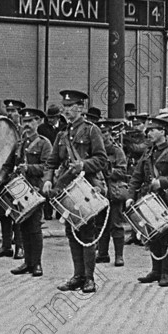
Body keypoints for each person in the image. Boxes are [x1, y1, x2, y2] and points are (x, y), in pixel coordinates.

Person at [43, 90, 108, 294]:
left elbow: (102, 159)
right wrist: (47, 180)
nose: (67, 110)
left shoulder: (91, 131)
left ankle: (89, 279)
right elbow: (51, 161)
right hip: (66, 188)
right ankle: (77, 275)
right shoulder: (62, 134)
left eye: (71, 106)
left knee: (87, 233)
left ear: (81, 108)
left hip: (86, 186)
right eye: (65, 106)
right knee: (72, 232)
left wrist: (83, 165)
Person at [0, 108, 51, 277]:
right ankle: (27, 262)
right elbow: (7, 164)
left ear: (38, 122)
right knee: (23, 227)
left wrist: (29, 168)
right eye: (24, 122)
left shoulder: (44, 143)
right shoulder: (19, 144)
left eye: (30, 122)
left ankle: (37, 264)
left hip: (34, 191)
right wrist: (1, 177)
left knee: (34, 227)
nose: (26, 125)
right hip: (19, 191)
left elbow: (48, 167)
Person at [127, 116, 168, 288]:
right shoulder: (148, 153)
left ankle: (166, 273)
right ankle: (155, 270)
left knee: (166, 237)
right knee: (152, 236)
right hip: (149, 200)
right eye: (148, 130)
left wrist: (163, 181)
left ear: (163, 132)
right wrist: (130, 196)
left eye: (152, 130)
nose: (148, 133)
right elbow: (136, 176)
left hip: (166, 200)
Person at [96, 120, 129, 267]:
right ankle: (102, 254)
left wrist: (110, 171)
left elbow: (123, 171)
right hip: (100, 191)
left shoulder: (117, 151)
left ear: (110, 134)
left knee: (116, 224)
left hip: (114, 190)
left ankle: (119, 256)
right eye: (100, 133)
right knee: (100, 224)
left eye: (105, 133)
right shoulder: (96, 151)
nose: (103, 136)